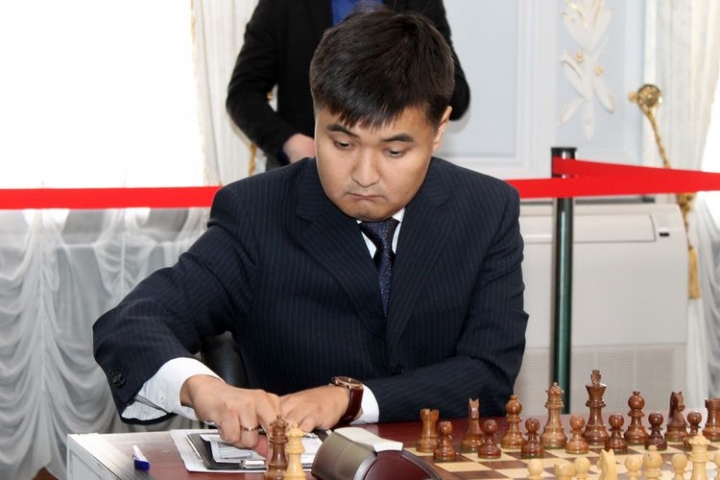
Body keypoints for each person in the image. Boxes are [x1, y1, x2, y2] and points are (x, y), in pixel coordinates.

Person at [93, 8, 527, 449]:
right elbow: (133, 323)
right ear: (315, 119)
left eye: (394, 152)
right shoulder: (256, 213)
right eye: (342, 143)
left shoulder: (486, 210)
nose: (364, 175)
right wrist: (203, 388)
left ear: (438, 130)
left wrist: (351, 399)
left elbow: (489, 372)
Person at [226, 0, 471, 170]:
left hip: (397, 181)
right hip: (307, 174)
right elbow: (243, 94)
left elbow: (457, 96)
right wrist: (291, 143)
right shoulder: (282, 5)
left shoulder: (418, 3)